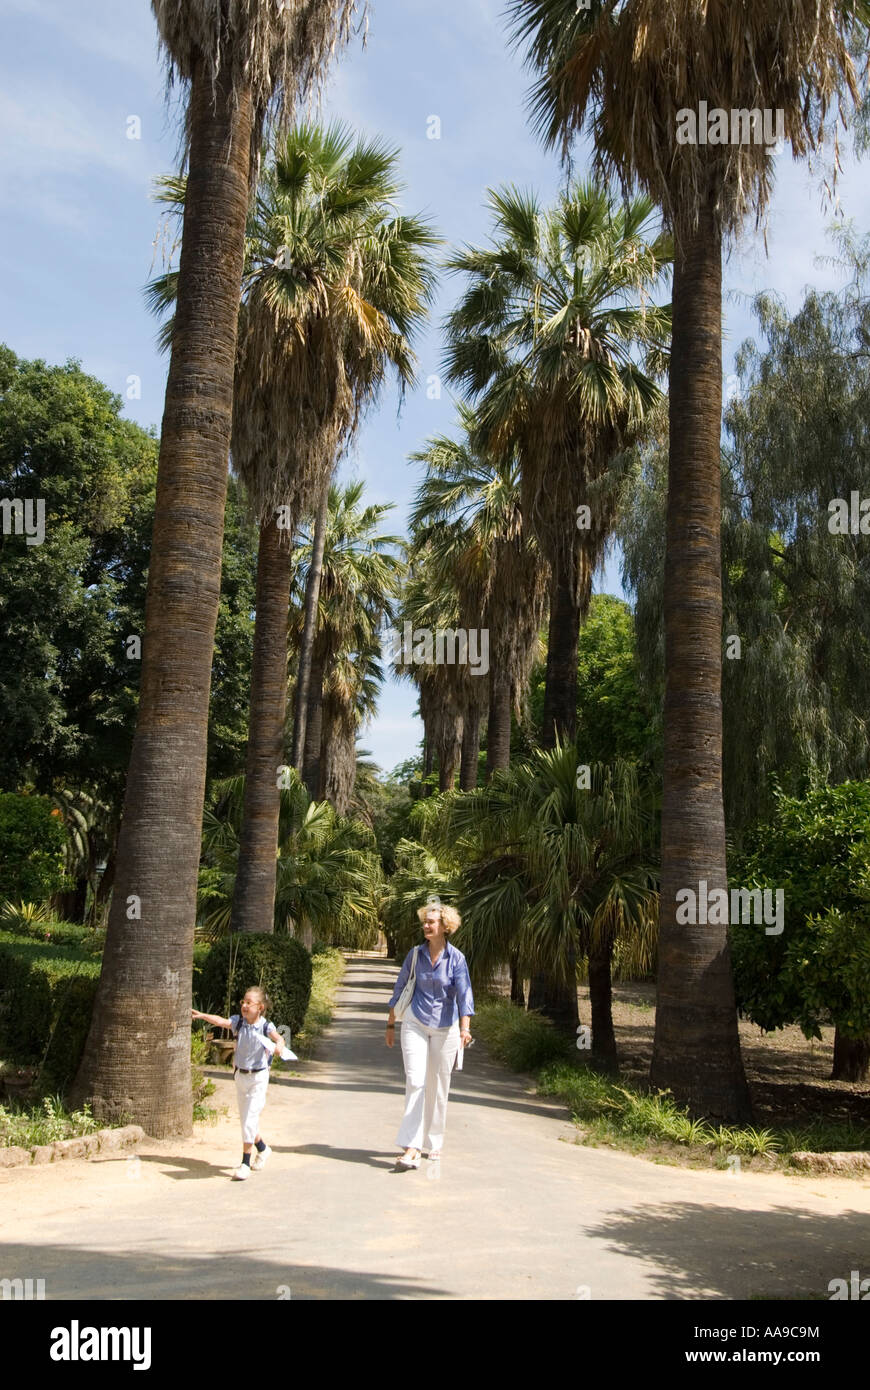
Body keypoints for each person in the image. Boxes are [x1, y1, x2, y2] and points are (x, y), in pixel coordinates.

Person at [385, 898, 475, 1170]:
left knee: (438, 1085)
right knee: (415, 1080)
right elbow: (399, 989)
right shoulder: (415, 955)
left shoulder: (456, 958)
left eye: (431, 922)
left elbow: (464, 994)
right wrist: (390, 1024)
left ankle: (434, 1142)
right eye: (424, 921)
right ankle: (412, 1146)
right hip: (414, 1022)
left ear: (445, 926)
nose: (426, 925)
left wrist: (465, 1029)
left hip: (446, 1028)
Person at [191, 986, 290, 1181]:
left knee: (250, 1119)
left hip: (258, 1078)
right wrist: (202, 1015)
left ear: (260, 1007)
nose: (244, 1006)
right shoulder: (239, 1023)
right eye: (243, 1002)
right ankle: (263, 1148)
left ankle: (245, 1162)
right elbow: (221, 1021)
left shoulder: (265, 1025)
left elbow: (279, 1039)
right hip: (241, 1076)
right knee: (246, 1121)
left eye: (248, 1003)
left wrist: (279, 1046)